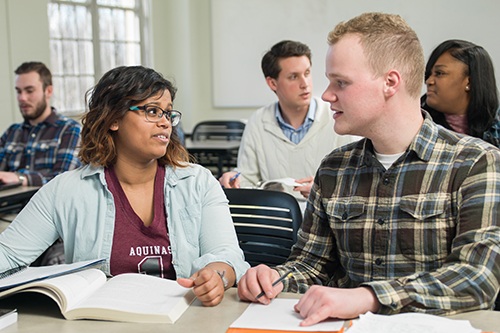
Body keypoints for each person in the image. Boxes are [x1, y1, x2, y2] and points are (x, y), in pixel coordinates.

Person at [237, 12, 500, 325]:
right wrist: (274, 277)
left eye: (341, 82)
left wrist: (368, 297)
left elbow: (476, 278)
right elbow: (311, 265)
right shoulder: (334, 168)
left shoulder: (475, 162)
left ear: (390, 82)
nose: (326, 94)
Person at [0, 65, 249, 306]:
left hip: (184, 320)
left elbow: (227, 255)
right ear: (114, 118)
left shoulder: (198, 183)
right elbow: (8, 255)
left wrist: (217, 275)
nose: (165, 122)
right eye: (152, 111)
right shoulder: (65, 190)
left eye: (168, 113)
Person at [219, 40, 355, 199]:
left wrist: (325, 188)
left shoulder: (336, 117)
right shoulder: (258, 121)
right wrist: (235, 178)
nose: (305, 84)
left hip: (324, 215)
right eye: (293, 77)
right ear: (272, 83)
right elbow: (249, 179)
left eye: (307, 73)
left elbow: (355, 179)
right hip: (277, 216)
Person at [0, 62, 81, 186]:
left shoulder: (70, 130)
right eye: (18, 91)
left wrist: (21, 178)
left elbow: (64, 182)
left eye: (29, 91)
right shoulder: (12, 132)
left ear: (48, 91)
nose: (22, 98)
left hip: (47, 204)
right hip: (9, 204)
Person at [422, 39, 500, 148]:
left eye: (439, 73)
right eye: (430, 74)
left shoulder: (496, 125)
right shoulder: (417, 125)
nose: (428, 81)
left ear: (469, 82)